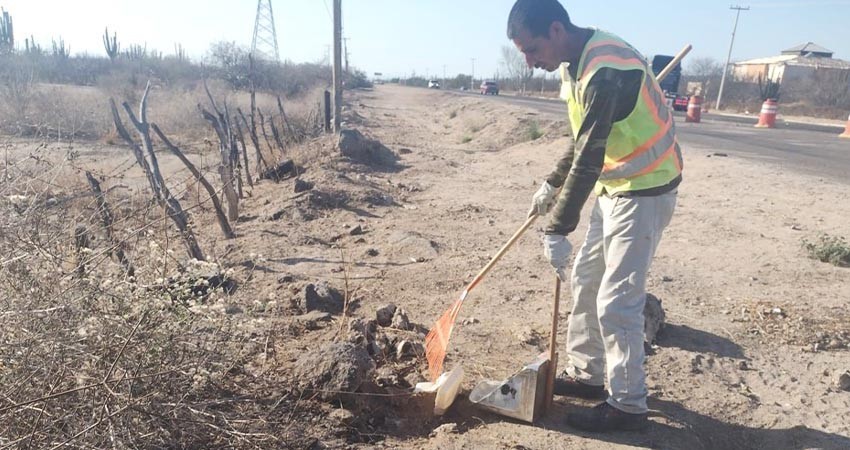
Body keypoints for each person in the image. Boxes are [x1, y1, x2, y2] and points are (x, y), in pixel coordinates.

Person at [507, 0, 683, 432]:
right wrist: (551, 185)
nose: (529, 63)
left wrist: (558, 227)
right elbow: (584, 138)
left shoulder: (605, 69)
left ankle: (627, 405)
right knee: (587, 277)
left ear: (555, 30)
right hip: (616, 185)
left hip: (645, 187)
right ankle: (587, 374)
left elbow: (589, 155)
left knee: (617, 301)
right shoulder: (575, 61)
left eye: (531, 51)